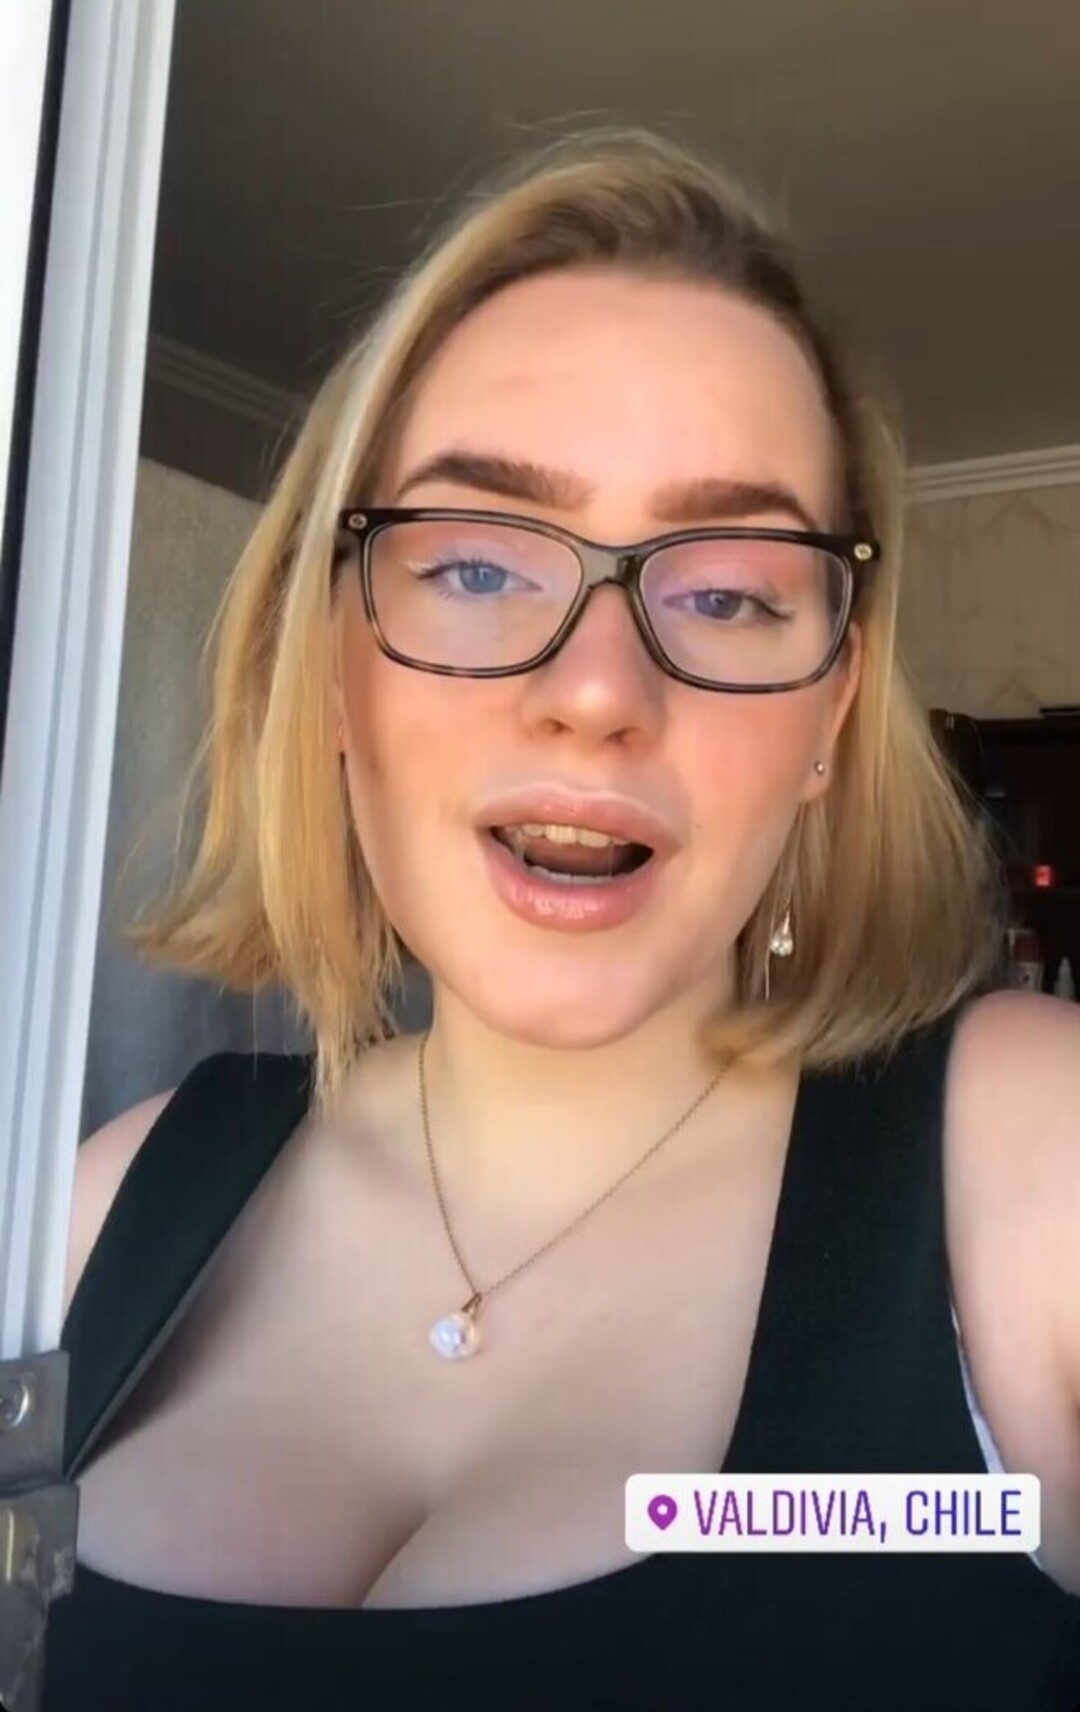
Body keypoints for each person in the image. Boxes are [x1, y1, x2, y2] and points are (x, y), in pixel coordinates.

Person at [45, 129, 1080, 1710]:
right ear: (335, 663)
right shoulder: (103, 1205)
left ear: (829, 713)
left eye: (726, 595)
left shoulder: (1029, 1168)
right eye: (476, 565)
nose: (598, 689)